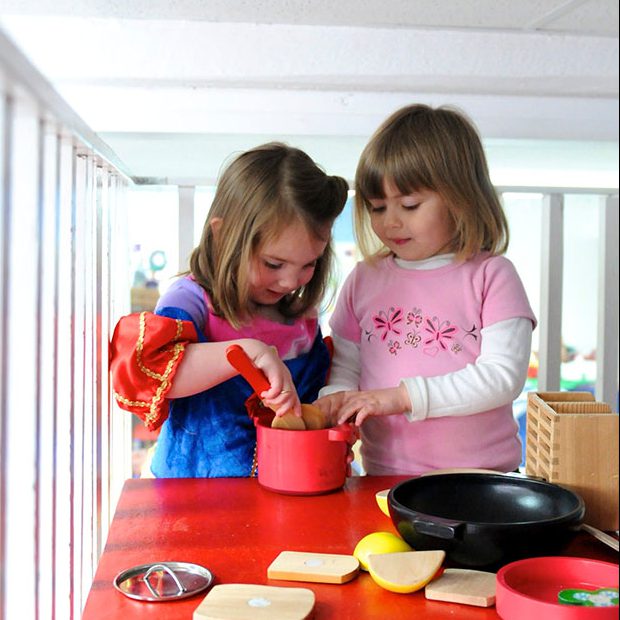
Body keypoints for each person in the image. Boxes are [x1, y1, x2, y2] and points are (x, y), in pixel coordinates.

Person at [314, 104, 536, 476]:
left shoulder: (492, 275)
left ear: (461, 197)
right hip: (385, 478)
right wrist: (335, 402)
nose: (391, 222)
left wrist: (402, 397)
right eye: (378, 207)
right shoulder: (363, 280)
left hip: (481, 479)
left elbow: (502, 377)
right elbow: (347, 368)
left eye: (410, 205)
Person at [110, 142, 348, 477]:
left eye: (309, 264)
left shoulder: (301, 317)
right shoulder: (191, 302)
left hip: (287, 488)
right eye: (274, 263)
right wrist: (247, 352)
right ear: (223, 236)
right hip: (195, 496)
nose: (290, 281)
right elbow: (158, 375)